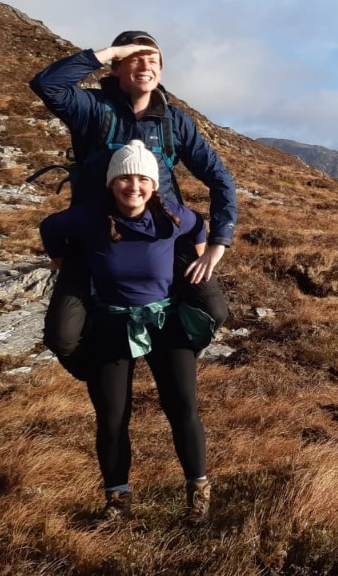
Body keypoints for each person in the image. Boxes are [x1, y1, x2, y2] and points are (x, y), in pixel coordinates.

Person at [30, 31, 236, 377]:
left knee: (214, 311)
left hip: (164, 235)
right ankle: (102, 369)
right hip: (96, 234)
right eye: (135, 59)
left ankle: (172, 353)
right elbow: (47, 84)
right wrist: (111, 51)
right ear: (116, 68)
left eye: (153, 60)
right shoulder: (92, 109)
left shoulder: (176, 122)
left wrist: (219, 242)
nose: (145, 65)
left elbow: (220, 179)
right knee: (61, 336)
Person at [40, 141, 215, 522]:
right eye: (123, 178)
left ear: (153, 185)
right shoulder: (89, 217)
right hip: (110, 324)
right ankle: (117, 501)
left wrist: (203, 260)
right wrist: (62, 263)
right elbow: (50, 227)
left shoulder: (171, 217)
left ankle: (198, 495)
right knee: (113, 416)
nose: (132, 186)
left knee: (182, 406)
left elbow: (200, 223)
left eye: (141, 179)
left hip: (164, 323)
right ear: (110, 183)